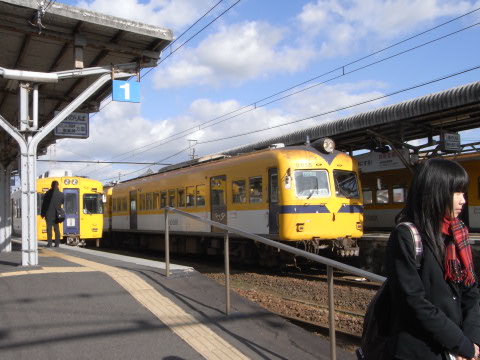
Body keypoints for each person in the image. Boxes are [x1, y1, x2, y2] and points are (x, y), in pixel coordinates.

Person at [385, 158, 480, 359]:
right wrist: (461, 343)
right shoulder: (406, 236)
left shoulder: (458, 234)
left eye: (463, 192)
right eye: (456, 193)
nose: (463, 200)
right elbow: (413, 302)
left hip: (459, 348)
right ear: (436, 191)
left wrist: (472, 340)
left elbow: (471, 292)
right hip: (420, 350)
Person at [40, 180, 64, 247]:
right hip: (57, 214)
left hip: (48, 214)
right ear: (57, 185)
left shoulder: (47, 194)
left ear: (51, 186)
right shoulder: (61, 194)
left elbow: (44, 205)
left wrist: (42, 213)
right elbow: (62, 202)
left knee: (49, 229)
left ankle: (49, 243)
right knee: (56, 229)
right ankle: (57, 244)